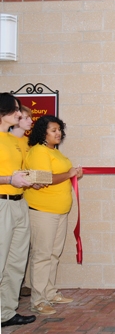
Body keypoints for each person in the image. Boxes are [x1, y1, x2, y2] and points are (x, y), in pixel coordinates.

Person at [25, 115, 83, 315]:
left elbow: (64, 173)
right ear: (43, 132)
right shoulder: (38, 151)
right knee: (42, 255)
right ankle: (38, 300)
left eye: (59, 129)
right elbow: (43, 178)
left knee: (53, 254)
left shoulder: (55, 152)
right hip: (43, 211)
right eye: (53, 130)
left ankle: (49, 293)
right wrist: (69, 174)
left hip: (59, 211)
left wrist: (74, 173)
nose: (58, 133)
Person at [0, 93, 36, 329]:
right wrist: (8, 179)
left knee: (15, 261)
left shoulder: (12, 139)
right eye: (14, 109)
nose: (19, 112)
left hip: (19, 202)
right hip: (2, 203)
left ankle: (6, 311)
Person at [9, 105, 34, 298]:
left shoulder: (28, 143)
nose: (29, 121)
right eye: (25, 117)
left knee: (21, 250)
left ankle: (14, 292)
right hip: (6, 199)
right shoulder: (7, 140)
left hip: (22, 198)